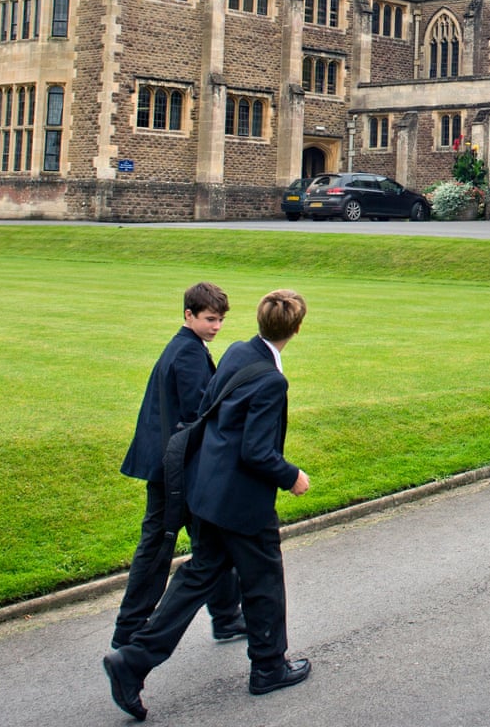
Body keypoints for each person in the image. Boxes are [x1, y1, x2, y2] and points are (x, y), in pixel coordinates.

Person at [104, 290, 313, 721]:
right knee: (264, 579)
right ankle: (269, 667)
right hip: (239, 501)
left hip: (205, 490)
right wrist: (291, 476)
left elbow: (209, 412)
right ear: (296, 329)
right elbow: (257, 451)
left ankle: (132, 660)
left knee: (199, 575)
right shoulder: (272, 380)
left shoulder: (238, 351)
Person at [111, 282, 245, 650]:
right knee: (163, 547)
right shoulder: (187, 354)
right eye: (210, 319)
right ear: (189, 315)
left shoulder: (185, 347)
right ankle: (130, 628)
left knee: (208, 544)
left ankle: (226, 616)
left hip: (169, 464)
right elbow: (197, 414)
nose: (217, 327)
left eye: (220, 320)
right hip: (175, 470)